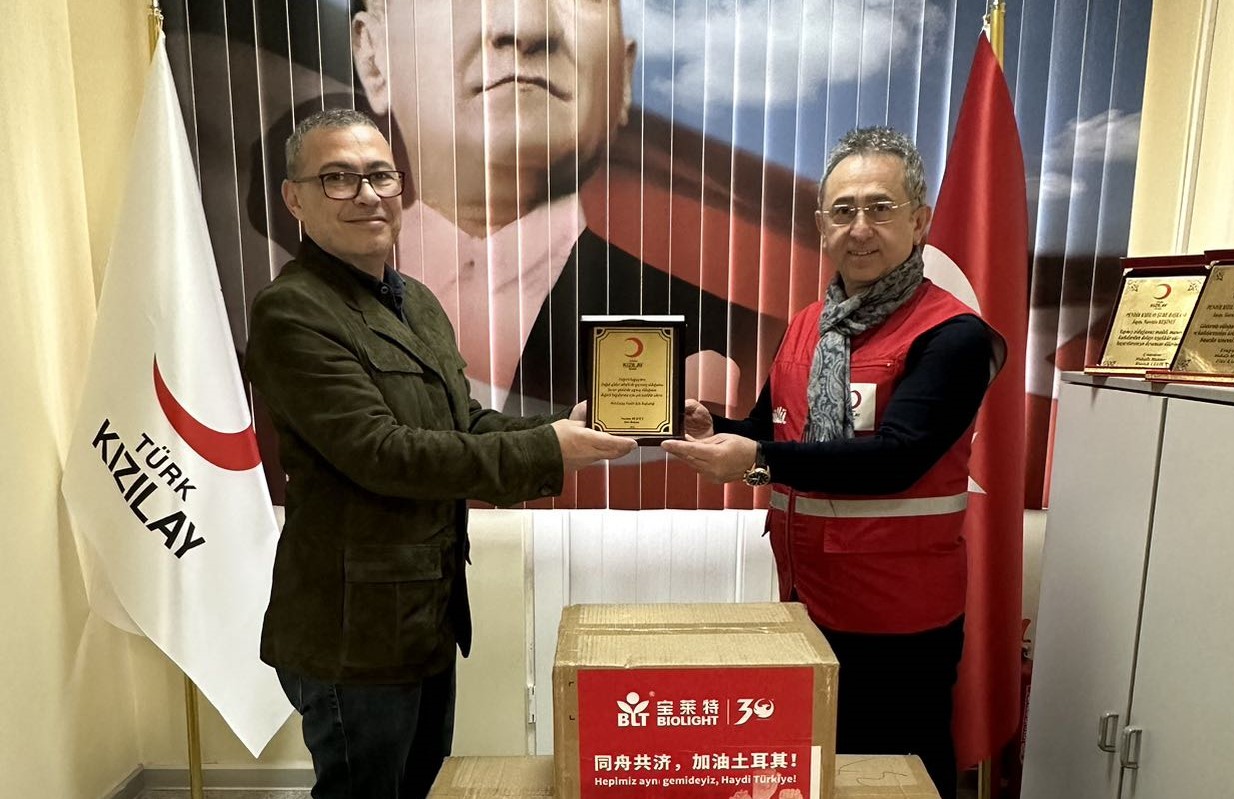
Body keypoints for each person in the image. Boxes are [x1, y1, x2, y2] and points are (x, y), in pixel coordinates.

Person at [244, 109, 636, 798]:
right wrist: (548, 450)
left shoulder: (415, 302)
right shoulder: (293, 311)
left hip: (423, 614)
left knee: (423, 785)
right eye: (338, 178)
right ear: (294, 198)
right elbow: (383, 453)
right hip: (352, 630)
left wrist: (570, 422)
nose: (367, 194)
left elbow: (464, 422)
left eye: (381, 175)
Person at [662, 127, 1002, 799]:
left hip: (898, 620)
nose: (860, 228)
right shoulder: (807, 325)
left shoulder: (952, 335)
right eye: (843, 211)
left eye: (880, 208)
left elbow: (897, 460)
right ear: (821, 226)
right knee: (815, 772)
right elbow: (769, 428)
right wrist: (715, 427)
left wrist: (758, 456)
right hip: (805, 604)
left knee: (895, 780)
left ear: (920, 220)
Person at [349, 0, 769, 417]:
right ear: (372, 57)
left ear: (623, 76)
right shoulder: (325, 304)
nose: (526, 26)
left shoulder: (730, 340)